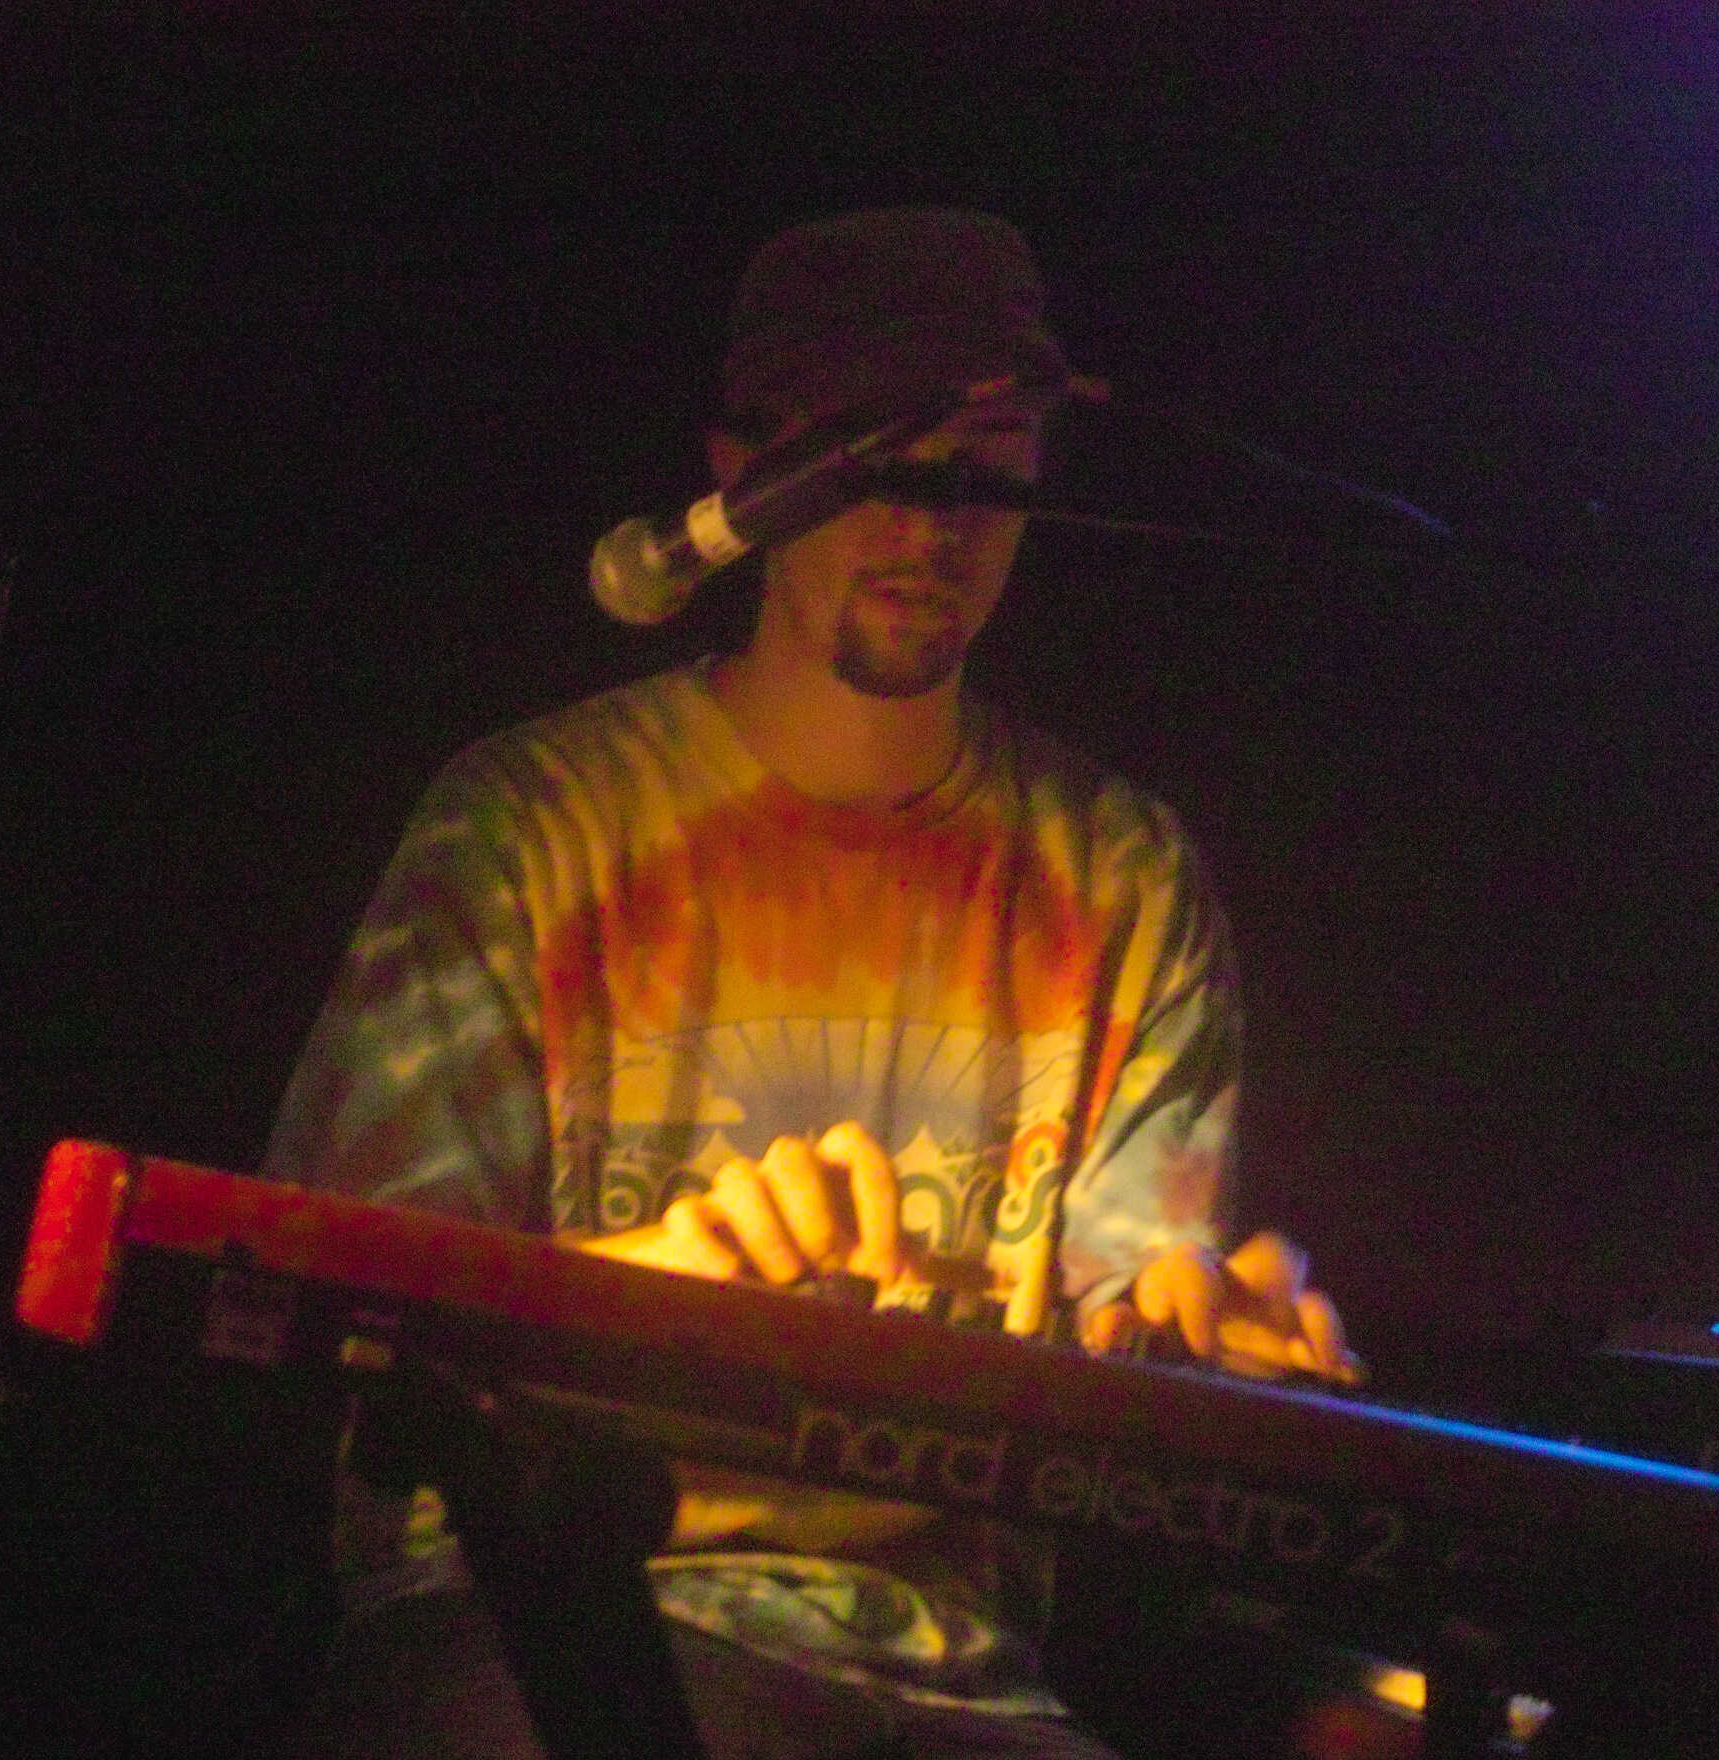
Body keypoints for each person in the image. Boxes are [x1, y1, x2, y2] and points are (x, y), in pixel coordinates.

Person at [265, 206, 1358, 1760]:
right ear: (742, 472)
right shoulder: (531, 825)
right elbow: (340, 1313)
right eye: (879, 465)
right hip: (535, 1612)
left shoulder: (1122, 877)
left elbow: (1128, 1321)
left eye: (985, 474)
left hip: (953, 1678)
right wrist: (660, 1286)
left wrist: (1211, 1338)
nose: (934, 530)